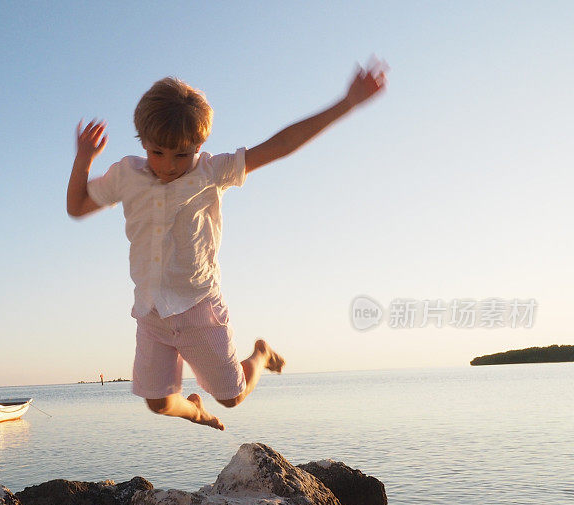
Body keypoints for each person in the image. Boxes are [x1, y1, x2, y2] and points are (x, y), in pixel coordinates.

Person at [67, 61, 387, 430]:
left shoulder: (211, 172)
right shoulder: (126, 175)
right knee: (158, 403)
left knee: (232, 397)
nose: (168, 166)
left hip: (199, 306)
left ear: (199, 146)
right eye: (157, 153)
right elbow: (77, 207)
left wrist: (346, 103)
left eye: (181, 155)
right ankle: (196, 411)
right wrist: (84, 159)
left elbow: (280, 146)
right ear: (142, 141)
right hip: (151, 311)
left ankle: (261, 355)